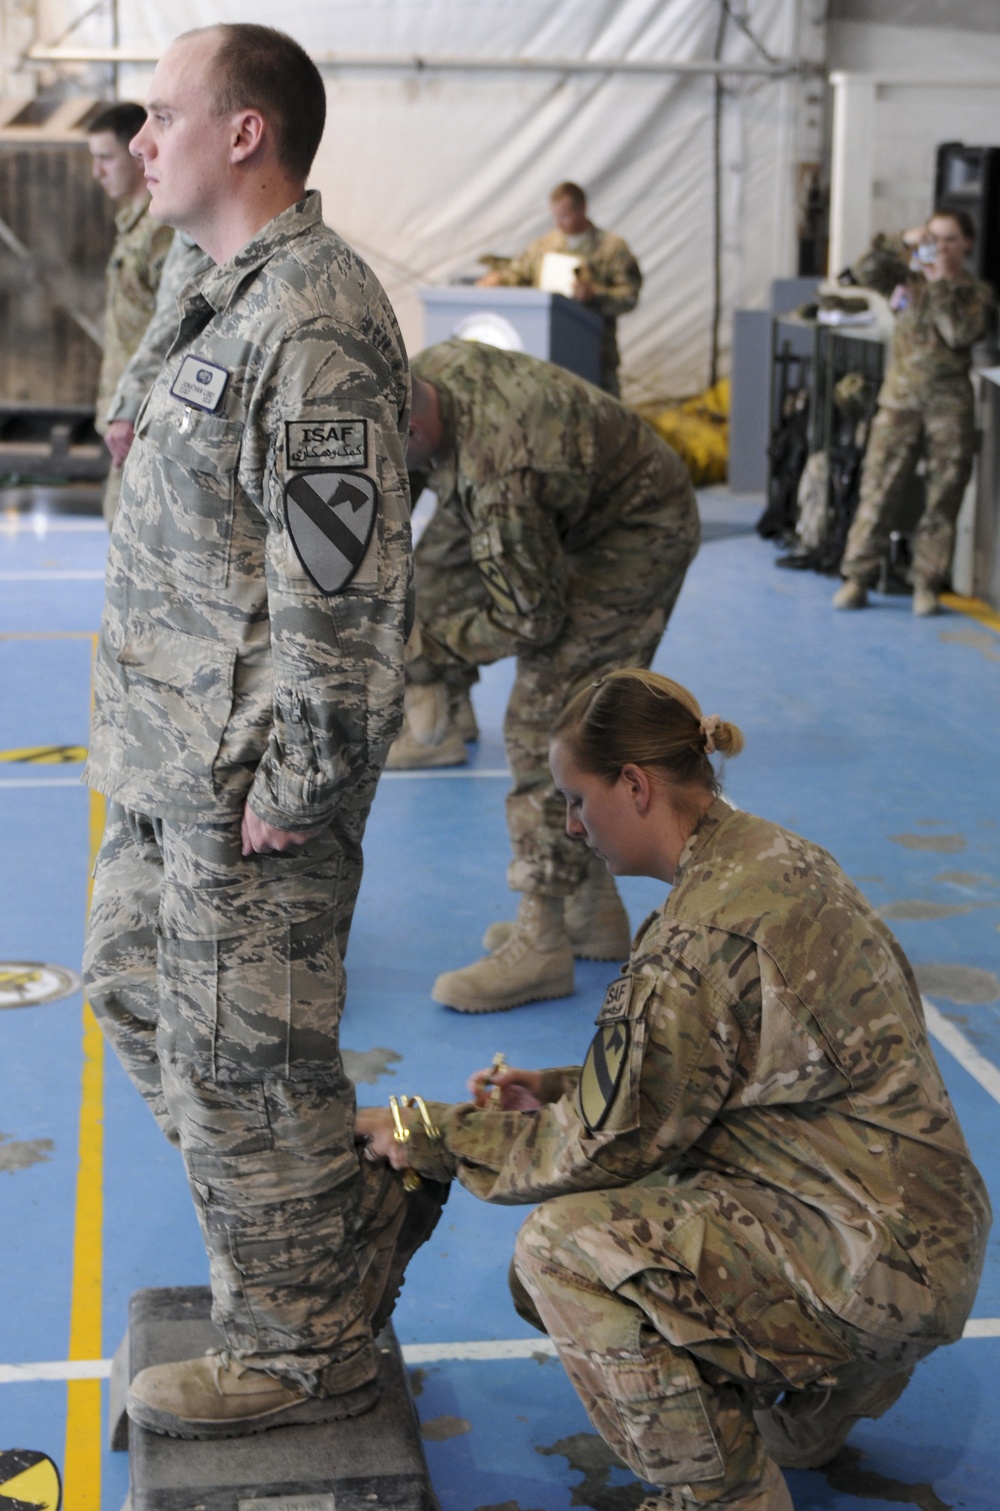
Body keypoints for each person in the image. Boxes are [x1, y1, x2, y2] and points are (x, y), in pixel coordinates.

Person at [358, 668, 990, 1511]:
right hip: (918, 1222)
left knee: (564, 1252)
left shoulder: (698, 938)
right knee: (657, 1192)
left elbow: (605, 1144)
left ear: (636, 785)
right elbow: (727, 1070)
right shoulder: (767, 856)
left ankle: (720, 1496)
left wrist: (421, 1126)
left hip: (867, 1255)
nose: (576, 828)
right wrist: (554, 1088)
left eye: (579, 801)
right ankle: (814, 1400)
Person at [82, 24, 414, 1438]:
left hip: (248, 788)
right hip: (162, 757)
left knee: (247, 1062)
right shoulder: (213, 284)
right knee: (132, 989)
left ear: (245, 135)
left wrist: (304, 777)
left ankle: (304, 1347)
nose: (140, 141)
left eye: (164, 116)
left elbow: (341, 590)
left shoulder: (319, 322)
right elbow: (132, 428)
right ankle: (327, 1220)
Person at [394, 338, 699, 1013]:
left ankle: (543, 939)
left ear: (415, 429)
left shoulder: (504, 482)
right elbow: (399, 492)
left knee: (548, 722)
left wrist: (438, 648)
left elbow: (532, 619)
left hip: (634, 533)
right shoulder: (429, 373)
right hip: (571, 494)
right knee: (429, 582)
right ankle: (594, 912)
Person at [833, 209, 995, 616]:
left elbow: (959, 333)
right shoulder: (907, 279)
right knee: (879, 491)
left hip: (949, 406)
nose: (941, 247)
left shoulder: (976, 293)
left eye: (951, 239)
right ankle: (857, 577)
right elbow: (863, 270)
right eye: (934, 238)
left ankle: (926, 582)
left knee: (943, 498)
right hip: (899, 401)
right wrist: (902, 239)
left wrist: (941, 285)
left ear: (967, 244)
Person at [87, 102, 175, 525]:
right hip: (127, 417)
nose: (96, 171)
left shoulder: (160, 233)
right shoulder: (134, 227)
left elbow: (173, 327)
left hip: (146, 421)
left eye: (106, 157)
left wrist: (131, 406)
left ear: (137, 156)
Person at [477, 181, 641, 396]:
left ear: (582, 209)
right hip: (545, 355)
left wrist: (595, 294)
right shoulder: (543, 246)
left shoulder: (611, 248)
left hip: (596, 356)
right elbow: (519, 274)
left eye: (565, 215)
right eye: (555, 216)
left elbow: (629, 296)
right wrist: (498, 279)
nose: (559, 222)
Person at [102, 230, 210, 480]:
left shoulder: (184, 227)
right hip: (146, 408)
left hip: (159, 415)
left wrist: (131, 401)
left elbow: (172, 321)